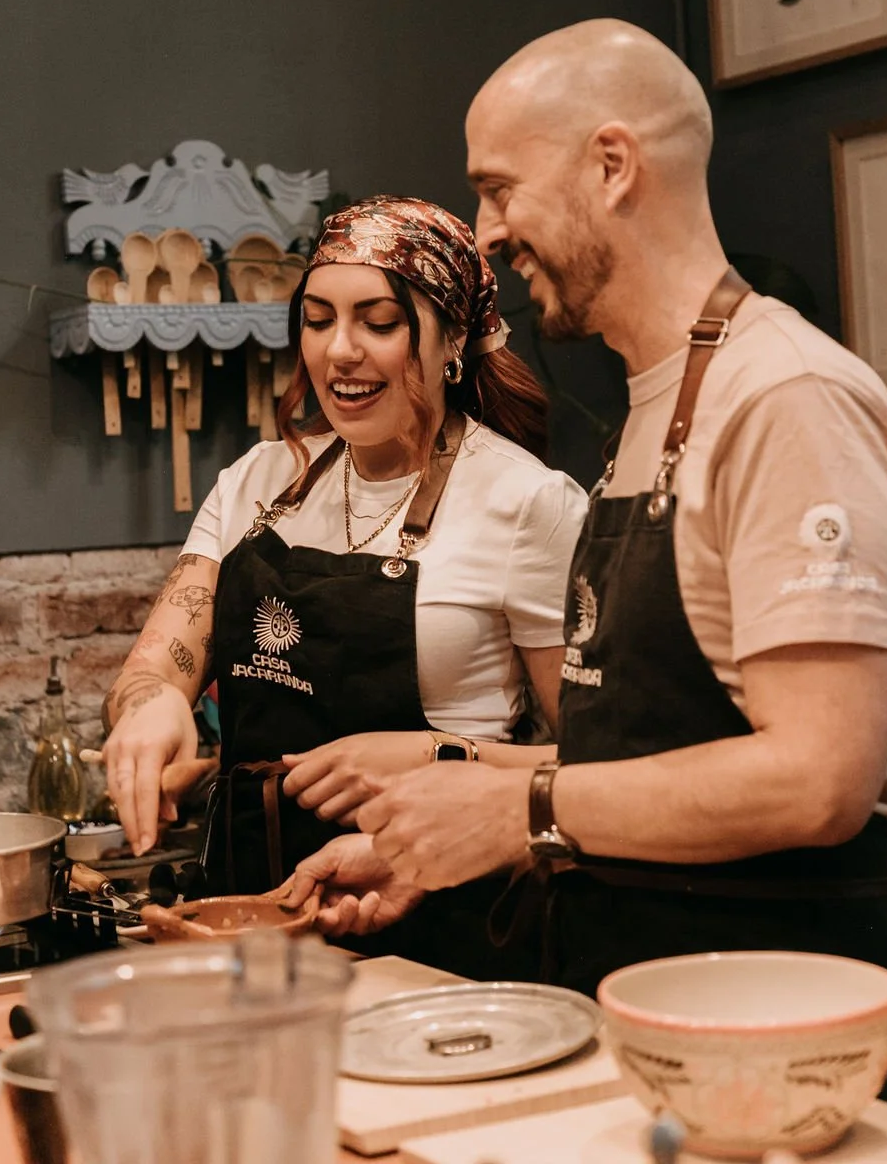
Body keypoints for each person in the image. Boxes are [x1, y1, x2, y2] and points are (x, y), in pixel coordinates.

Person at [289, 21, 887, 1107]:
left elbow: (821, 779)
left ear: (613, 163)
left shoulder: (784, 400)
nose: (486, 235)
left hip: (780, 1041)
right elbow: (636, 756)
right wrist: (429, 816)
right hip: (641, 1006)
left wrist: (514, 813)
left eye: (498, 189)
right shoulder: (655, 409)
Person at [101, 193, 587, 974]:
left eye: (379, 322)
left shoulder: (526, 502)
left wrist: (436, 757)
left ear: (453, 337)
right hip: (251, 911)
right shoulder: (258, 481)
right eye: (319, 319)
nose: (339, 351)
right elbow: (159, 665)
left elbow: (594, 764)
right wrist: (150, 707)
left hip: (445, 919)